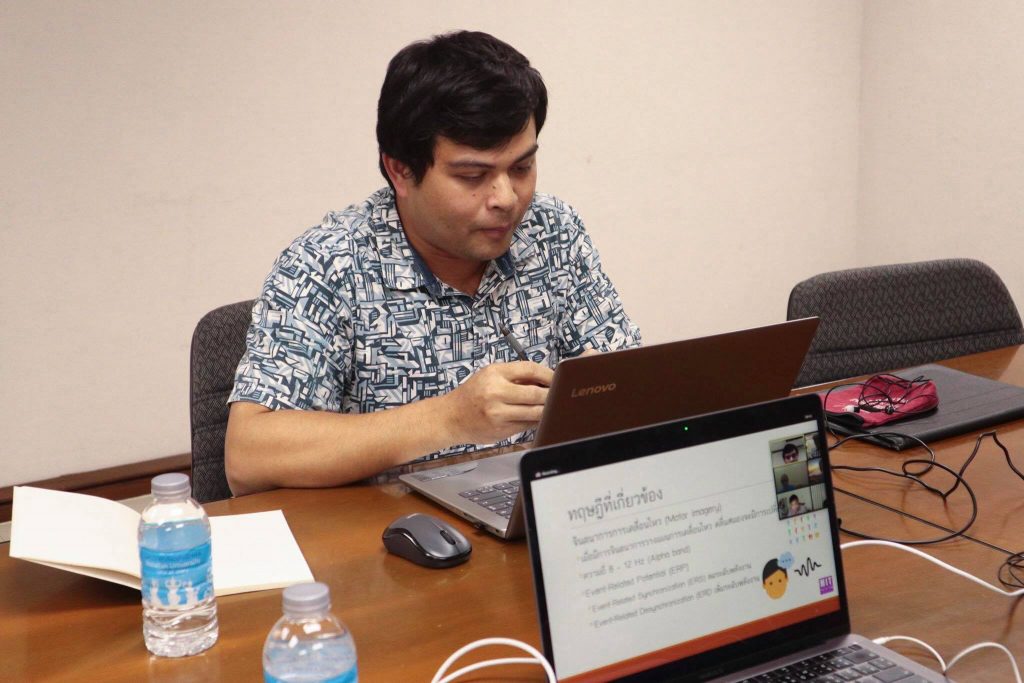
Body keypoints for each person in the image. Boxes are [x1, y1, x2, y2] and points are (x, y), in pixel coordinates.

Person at [224, 31, 641, 496]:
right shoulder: (329, 263)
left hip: (540, 507)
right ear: (401, 170)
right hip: (387, 529)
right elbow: (249, 457)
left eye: (522, 168)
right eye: (473, 175)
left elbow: (627, 377)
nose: (506, 199)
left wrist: (608, 388)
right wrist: (449, 419)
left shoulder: (551, 230)